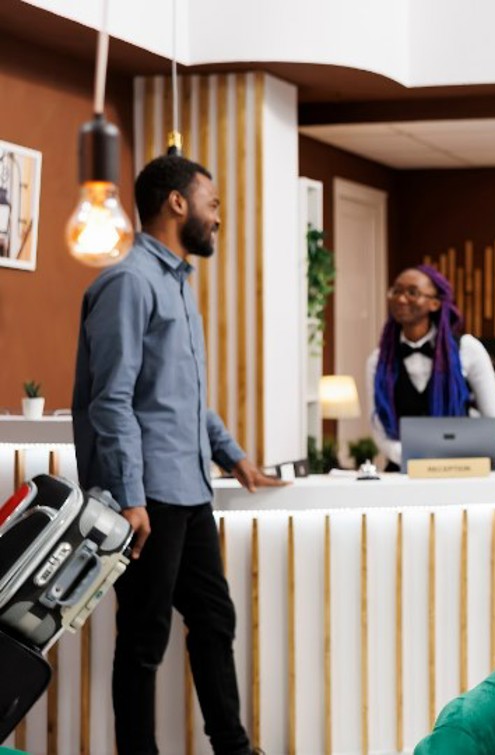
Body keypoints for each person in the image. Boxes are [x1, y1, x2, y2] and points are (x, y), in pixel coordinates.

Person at [72, 154, 286, 755]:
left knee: (214, 622)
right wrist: (131, 498)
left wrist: (234, 456)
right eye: (212, 204)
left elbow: (181, 400)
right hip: (151, 497)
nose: (218, 218)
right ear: (177, 203)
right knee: (143, 640)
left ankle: (233, 748)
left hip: (190, 492)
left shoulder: (177, 283)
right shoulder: (129, 281)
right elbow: (111, 401)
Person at [366, 265, 495, 470]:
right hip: (403, 473)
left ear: (435, 303)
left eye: (412, 292)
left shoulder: (468, 349)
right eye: (396, 291)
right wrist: (414, 460)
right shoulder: (378, 360)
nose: (402, 299)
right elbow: (378, 426)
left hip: (464, 469)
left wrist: (484, 456)